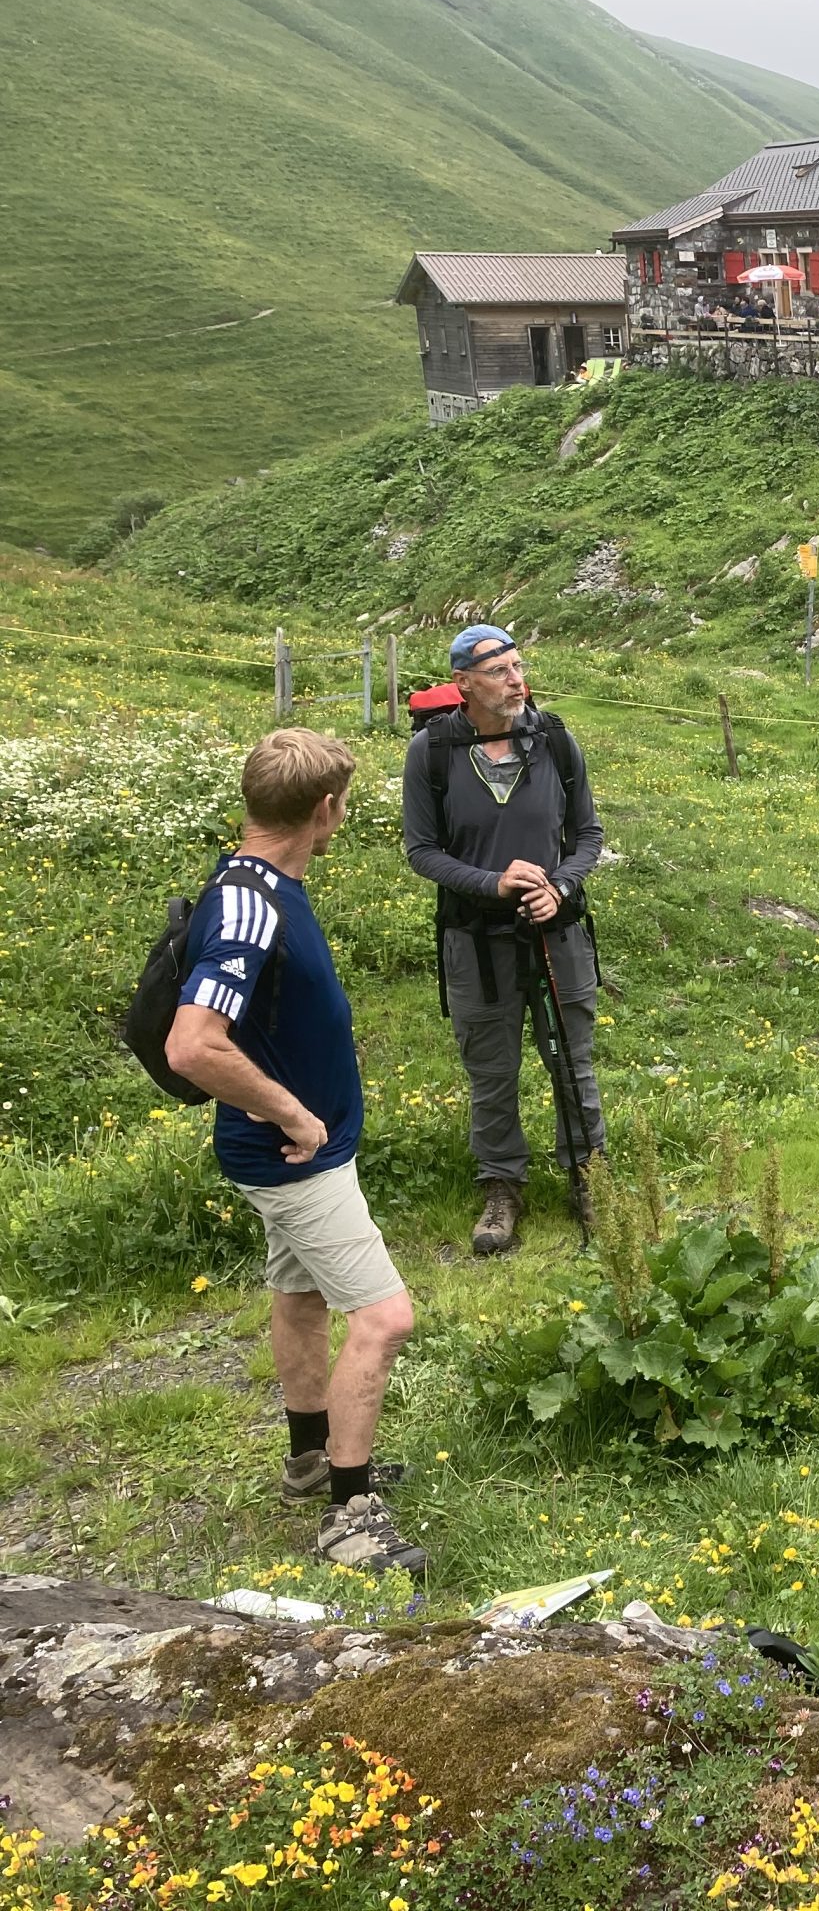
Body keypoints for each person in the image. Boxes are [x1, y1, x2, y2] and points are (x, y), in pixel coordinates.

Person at [165, 730, 426, 1577]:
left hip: (292, 1150)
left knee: (300, 1292)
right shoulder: (251, 907)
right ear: (325, 809)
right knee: (385, 1320)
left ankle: (310, 1456)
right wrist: (297, 1117)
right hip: (293, 1158)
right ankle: (350, 1514)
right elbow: (192, 1047)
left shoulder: (258, 879)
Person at [402, 627, 605, 1256]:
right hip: (475, 945)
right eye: (499, 670)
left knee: (573, 1062)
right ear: (464, 683)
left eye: (518, 666)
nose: (516, 680)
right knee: (490, 1074)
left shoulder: (556, 741)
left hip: (556, 934)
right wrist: (493, 884)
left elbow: (587, 835)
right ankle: (502, 1188)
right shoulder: (431, 753)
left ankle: (589, 1178)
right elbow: (422, 851)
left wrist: (562, 888)